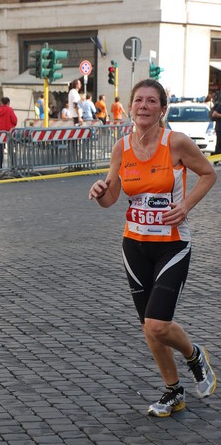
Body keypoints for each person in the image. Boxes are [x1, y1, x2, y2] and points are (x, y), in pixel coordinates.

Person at [88, 78, 217, 417]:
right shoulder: (121, 147)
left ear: (162, 109)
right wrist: (102, 192)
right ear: (131, 106)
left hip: (172, 244)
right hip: (134, 244)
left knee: (158, 323)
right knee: (149, 326)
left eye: (151, 101)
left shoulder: (176, 143)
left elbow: (208, 173)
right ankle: (174, 392)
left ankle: (194, 355)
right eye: (138, 100)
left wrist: (186, 205)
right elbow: (113, 196)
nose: (143, 106)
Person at [0, 97, 17, 170]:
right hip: (8, 132)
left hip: (0, 133)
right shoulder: (10, 110)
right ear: (8, 103)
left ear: (1, 103)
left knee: (1, 150)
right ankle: (13, 166)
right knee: (10, 150)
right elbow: (15, 120)